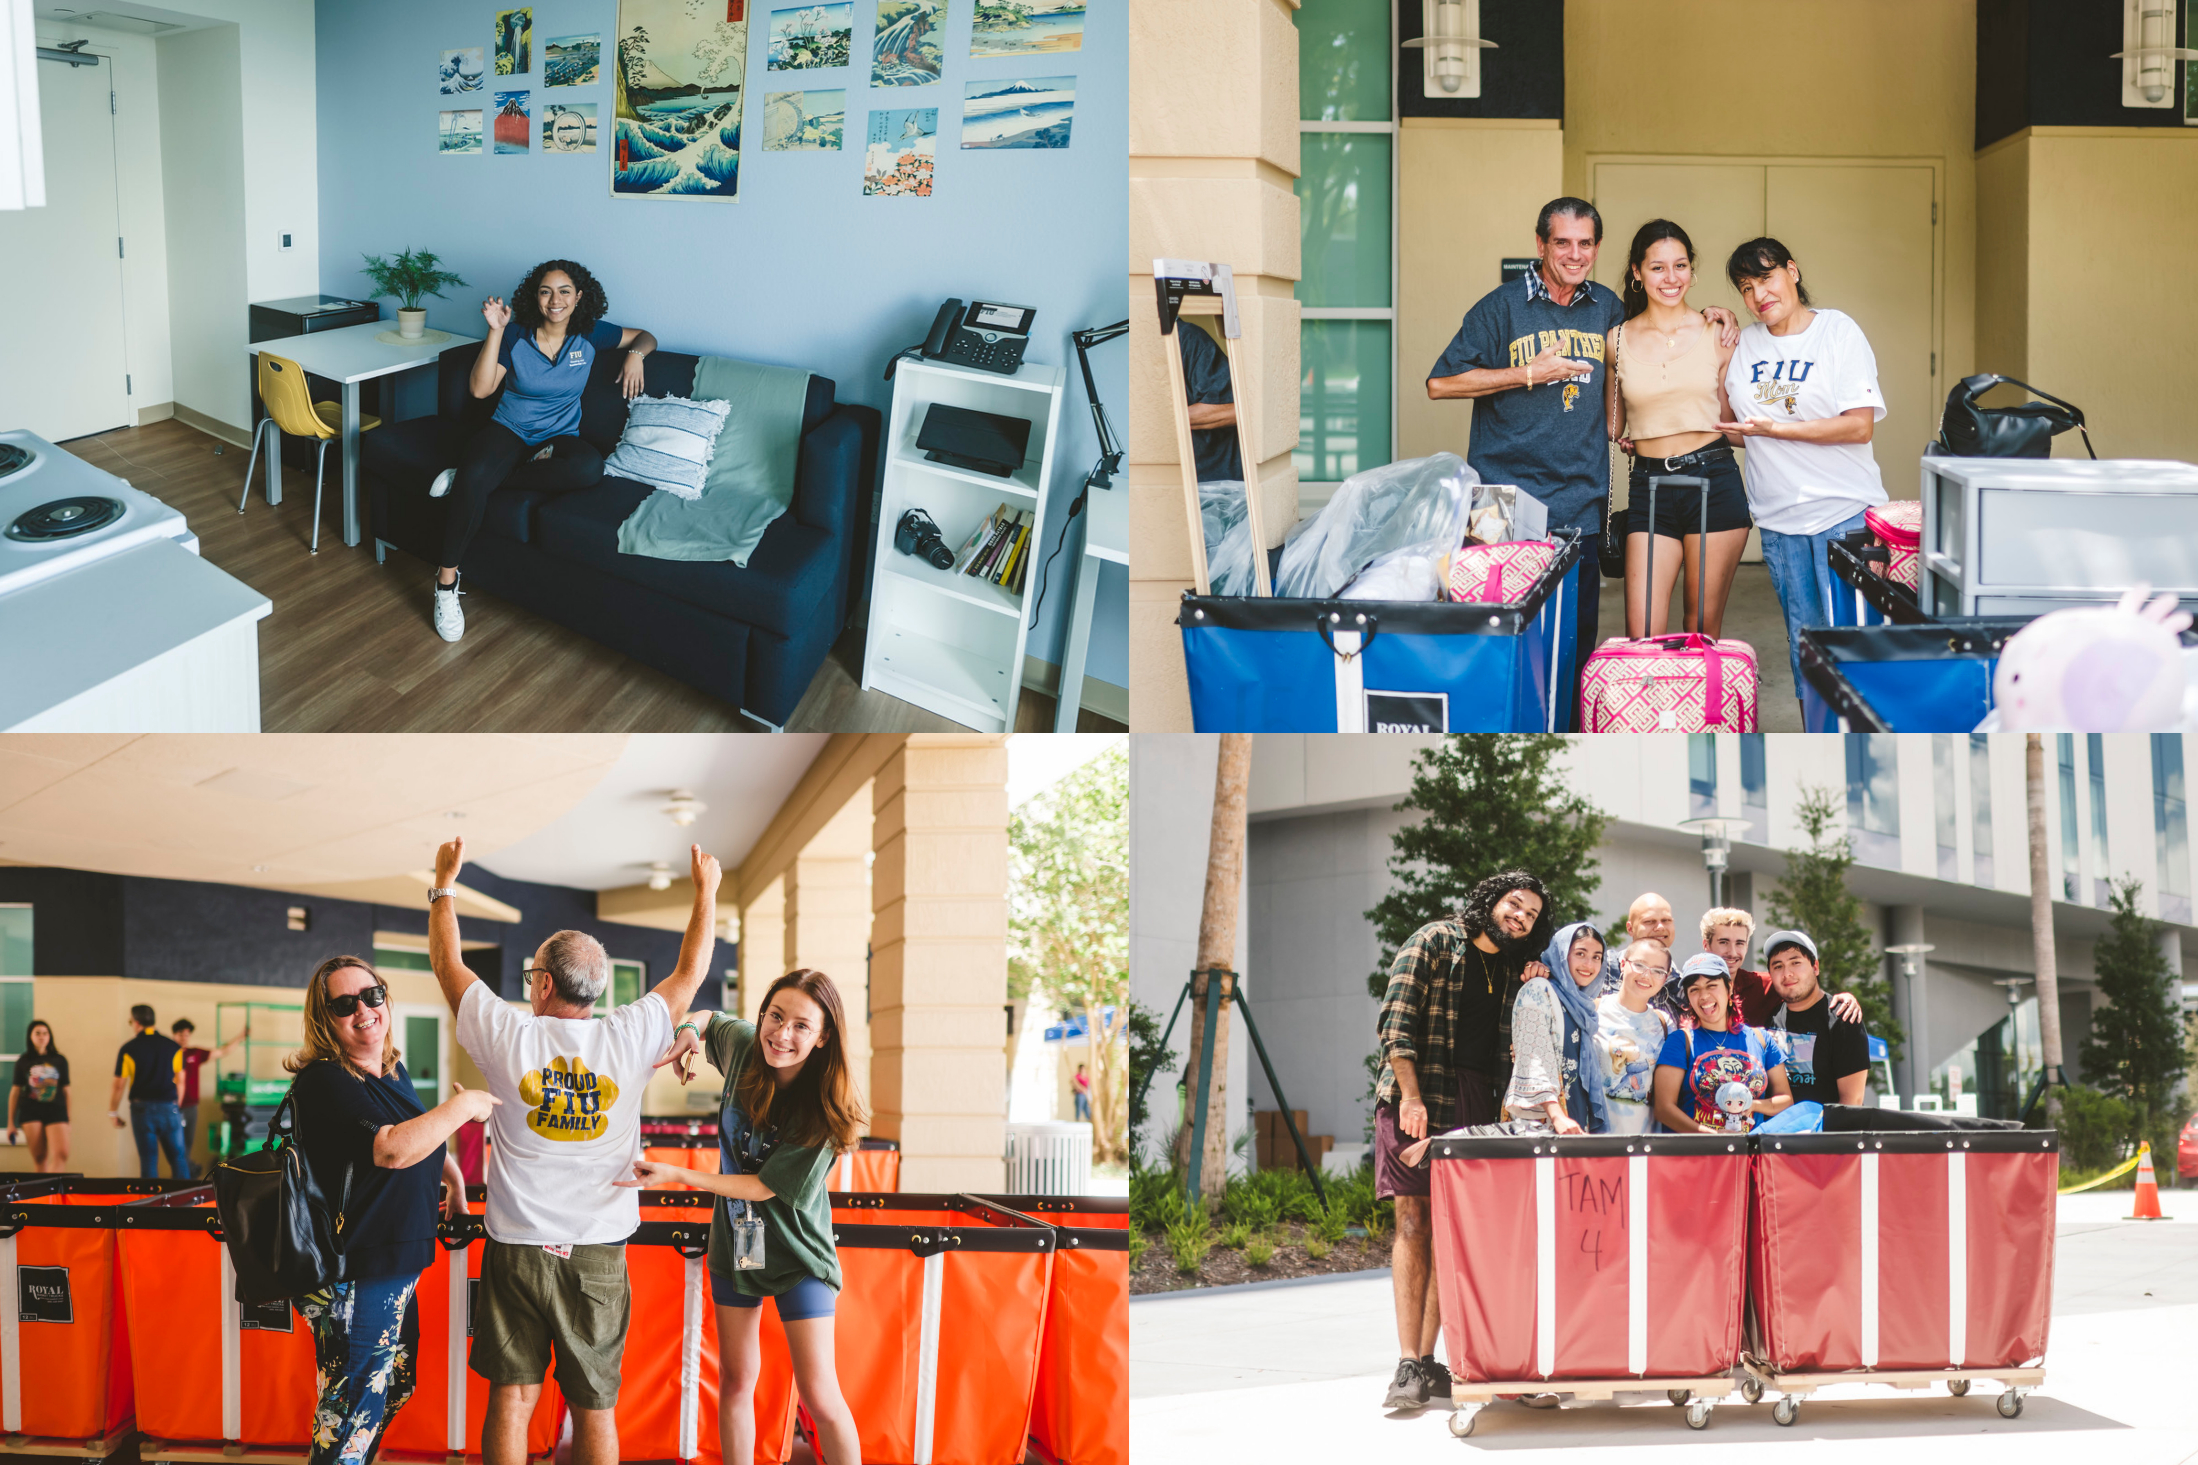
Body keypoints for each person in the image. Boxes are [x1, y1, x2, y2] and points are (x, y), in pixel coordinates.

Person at [429, 835, 719, 1465]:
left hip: (516, 1248)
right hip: (598, 1254)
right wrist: (707, 893)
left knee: (511, 1399)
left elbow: (449, 966)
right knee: (595, 1406)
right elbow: (691, 972)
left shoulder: (507, 1035)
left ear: (540, 984)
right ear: (596, 986)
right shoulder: (632, 1032)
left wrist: (444, 887)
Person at [1429, 200, 1737, 722]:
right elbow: (1441, 383)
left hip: (1580, 500)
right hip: (1499, 502)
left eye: (1586, 243)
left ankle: (1571, 753)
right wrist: (1526, 373)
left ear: (1597, 248)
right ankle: (1501, 744)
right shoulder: (1500, 307)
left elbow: (1654, 342)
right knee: (1499, 635)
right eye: (1562, 242)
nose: (1575, 254)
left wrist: (1716, 314)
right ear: (1541, 244)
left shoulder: (1607, 311)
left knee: (1575, 642)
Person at [619, 969, 867, 1465]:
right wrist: (689, 1030)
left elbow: (761, 1187)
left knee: (820, 1396)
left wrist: (678, 1174)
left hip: (799, 1254)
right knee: (736, 1381)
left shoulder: (825, 1111)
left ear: (823, 1038)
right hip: (735, 1248)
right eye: (776, 1016)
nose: (782, 1034)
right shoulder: (746, 1048)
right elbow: (710, 1017)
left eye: (801, 1025)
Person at [284, 955, 486, 1465]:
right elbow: (391, 1148)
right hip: (354, 1268)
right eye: (344, 1004)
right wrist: (463, 1108)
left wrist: (453, 1179)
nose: (363, 1010)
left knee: (392, 1387)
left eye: (372, 995)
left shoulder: (390, 1071)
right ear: (323, 1018)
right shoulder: (326, 1081)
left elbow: (417, 1140)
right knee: (350, 1411)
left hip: (395, 1261)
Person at [1370, 871, 1554, 1411]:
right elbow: (1395, 1025)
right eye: (1514, 905)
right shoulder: (1432, 940)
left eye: (1531, 914)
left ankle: (1430, 1363)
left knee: (1451, 1231)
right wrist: (1410, 1096)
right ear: (1490, 900)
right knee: (1412, 1220)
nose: (1520, 916)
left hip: (1477, 1106)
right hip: (1418, 1093)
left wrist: (1535, 978)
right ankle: (1408, 1361)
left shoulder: (1511, 969)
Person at [424, 261, 658, 643]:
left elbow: (646, 336)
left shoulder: (592, 334)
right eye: (546, 291)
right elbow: (481, 390)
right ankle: (446, 584)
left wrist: (637, 356)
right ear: (536, 297)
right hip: (509, 430)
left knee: (588, 468)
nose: (556, 300)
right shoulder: (515, 334)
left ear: (579, 297)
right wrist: (495, 331)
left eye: (565, 291)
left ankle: (470, 478)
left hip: (557, 437)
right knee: (479, 473)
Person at [1716, 237, 1890, 711]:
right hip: (1779, 523)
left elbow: (1858, 426)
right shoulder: (1745, 344)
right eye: (1746, 288)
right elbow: (1739, 432)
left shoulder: (1837, 331)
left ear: (1792, 271)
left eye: (1766, 277)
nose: (1758, 295)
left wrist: (1780, 428)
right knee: (1805, 652)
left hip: (1845, 515)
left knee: (1855, 653)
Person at [1606, 221, 1748, 640]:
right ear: (1637, 272)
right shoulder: (1616, 339)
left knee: (1700, 632)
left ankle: (1697, 709)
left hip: (1713, 480)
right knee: (1642, 634)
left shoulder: (1718, 333)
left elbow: (1732, 422)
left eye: (1680, 266)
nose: (1671, 279)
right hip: (1649, 486)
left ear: (1692, 270)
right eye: (1657, 268)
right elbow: (1612, 425)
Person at [1400, 922, 1610, 1155]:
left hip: (1576, 1122)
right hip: (1545, 1126)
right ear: (1561, 954)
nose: (1589, 964)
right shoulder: (1539, 990)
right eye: (1580, 954)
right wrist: (1557, 1116)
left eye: (1596, 957)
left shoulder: (1585, 1009)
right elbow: (1534, 1055)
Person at [1651, 955, 1792, 1133]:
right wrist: (1712, 1137)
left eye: (1711, 985)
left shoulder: (1761, 1039)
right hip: (1696, 1157)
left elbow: (1786, 1099)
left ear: (1729, 988)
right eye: (1694, 989)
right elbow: (1663, 1110)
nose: (1703, 996)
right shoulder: (1680, 1041)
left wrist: (1753, 1106)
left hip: (1748, 1156)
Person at [1698, 908, 1861, 1028]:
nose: (1732, 952)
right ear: (1707, 945)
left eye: (1740, 943)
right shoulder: (1689, 989)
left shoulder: (1766, 985)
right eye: (1723, 942)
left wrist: (1842, 999)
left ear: (1747, 946)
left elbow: (1806, 992)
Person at [1761, 930, 1871, 1107]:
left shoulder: (1843, 1018)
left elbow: (1852, 1103)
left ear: (1815, 967)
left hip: (1822, 1133)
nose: (1787, 973)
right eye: (1778, 966)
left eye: (1795, 962)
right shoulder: (1770, 1018)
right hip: (1773, 1132)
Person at [1597, 941, 1674, 1136]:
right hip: (1594, 1144)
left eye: (1658, 971)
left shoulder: (1665, 1023)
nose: (1646, 975)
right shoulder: (1593, 1011)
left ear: (1665, 978)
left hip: (1646, 1146)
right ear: (1623, 964)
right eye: (1639, 965)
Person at [108, 1005, 187, 1178]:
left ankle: (150, 1202)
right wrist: (176, 1105)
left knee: (149, 1160)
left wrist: (113, 1112)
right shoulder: (173, 1047)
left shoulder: (128, 1048)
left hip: (142, 1109)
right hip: (169, 1107)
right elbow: (181, 1081)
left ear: (136, 1023)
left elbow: (118, 1085)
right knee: (178, 1158)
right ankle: (188, 1204)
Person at [172, 1016, 249, 1176]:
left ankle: (188, 1175)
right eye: (180, 1034)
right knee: (174, 1147)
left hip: (190, 1107)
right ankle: (190, 1171)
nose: (184, 1038)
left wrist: (240, 1037)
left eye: (187, 1035)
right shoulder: (168, 1054)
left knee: (185, 1146)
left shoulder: (195, 1053)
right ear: (174, 1035)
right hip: (171, 1107)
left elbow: (223, 1051)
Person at [1175, 323, 1241, 483]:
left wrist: (1160, 420)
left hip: (1216, 482)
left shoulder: (1186, 337)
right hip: (1172, 479)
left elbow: (1234, 409)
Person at [7, 1020, 71, 1172]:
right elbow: (15, 1092)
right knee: (40, 1157)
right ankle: (42, 1194)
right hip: (31, 1111)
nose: (42, 1036)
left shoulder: (60, 1060)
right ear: (30, 1036)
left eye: (45, 1033)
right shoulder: (23, 1061)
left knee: (61, 1154)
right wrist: (10, 1123)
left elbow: (67, 1091)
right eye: (37, 1033)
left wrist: (68, 1117)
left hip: (56, 1110)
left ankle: (53, 1190)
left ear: (50, 1036)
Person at [1597, 891, 1676, 995]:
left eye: (1666, 920)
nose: (1660, 927)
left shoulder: (1681, 984)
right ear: (1630, 928)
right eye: (1649, 921)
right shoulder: (1601, 968)